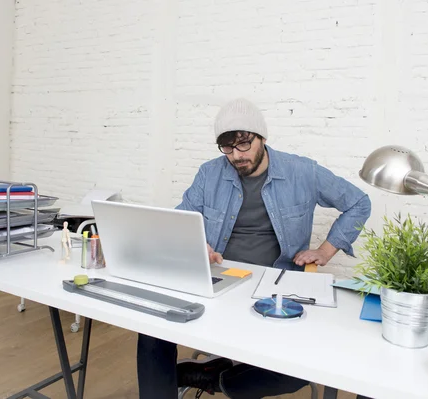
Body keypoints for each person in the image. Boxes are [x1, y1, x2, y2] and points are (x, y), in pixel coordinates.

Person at [137, 98, 372, 399]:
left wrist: (326, 251)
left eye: (244, 144)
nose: (236, 156)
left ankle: (217, 378)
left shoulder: (302, 172)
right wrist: (199, 245)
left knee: (305, 364)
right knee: (152, 324)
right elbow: (182, 218)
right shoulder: (210, 174)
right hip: (219, 277)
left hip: (277, 286)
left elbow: (358, 202)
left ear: (262, 137)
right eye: (227, 148)